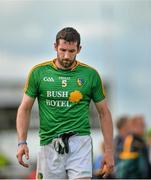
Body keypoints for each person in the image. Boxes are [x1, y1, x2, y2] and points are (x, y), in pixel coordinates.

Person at [16, 27, 114, 179]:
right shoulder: (38, 73)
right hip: (49, 142)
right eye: (62, 50)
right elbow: (24, 109)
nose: (66, 56)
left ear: (79, 49)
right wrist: (22, 142)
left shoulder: (90, 75)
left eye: (71, 51)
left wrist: (109, 151)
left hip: (80, 142)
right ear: (55, 46)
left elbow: (104, 113)